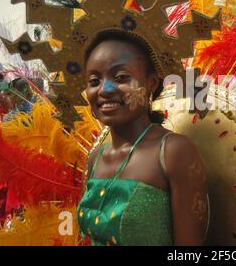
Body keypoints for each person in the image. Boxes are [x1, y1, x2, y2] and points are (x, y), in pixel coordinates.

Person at [77, 30, 209, 246]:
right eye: (94, 81)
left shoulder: (173, 152)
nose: (105, 90)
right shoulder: (95, 157)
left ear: (151, 83)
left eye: (120, 78)